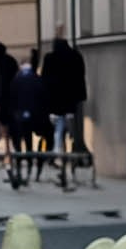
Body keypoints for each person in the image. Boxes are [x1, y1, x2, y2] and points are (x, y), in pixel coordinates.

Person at [40, 29, 88, 163]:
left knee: (59, 129)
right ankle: (73, 152)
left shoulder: (50, 58)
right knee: (73, 128)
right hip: (72, 102)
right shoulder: (75, 56)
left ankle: (59, 154)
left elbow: (45, 81)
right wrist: (81, 96)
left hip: (56, 103)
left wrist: (46, 101)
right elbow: (81, 78)